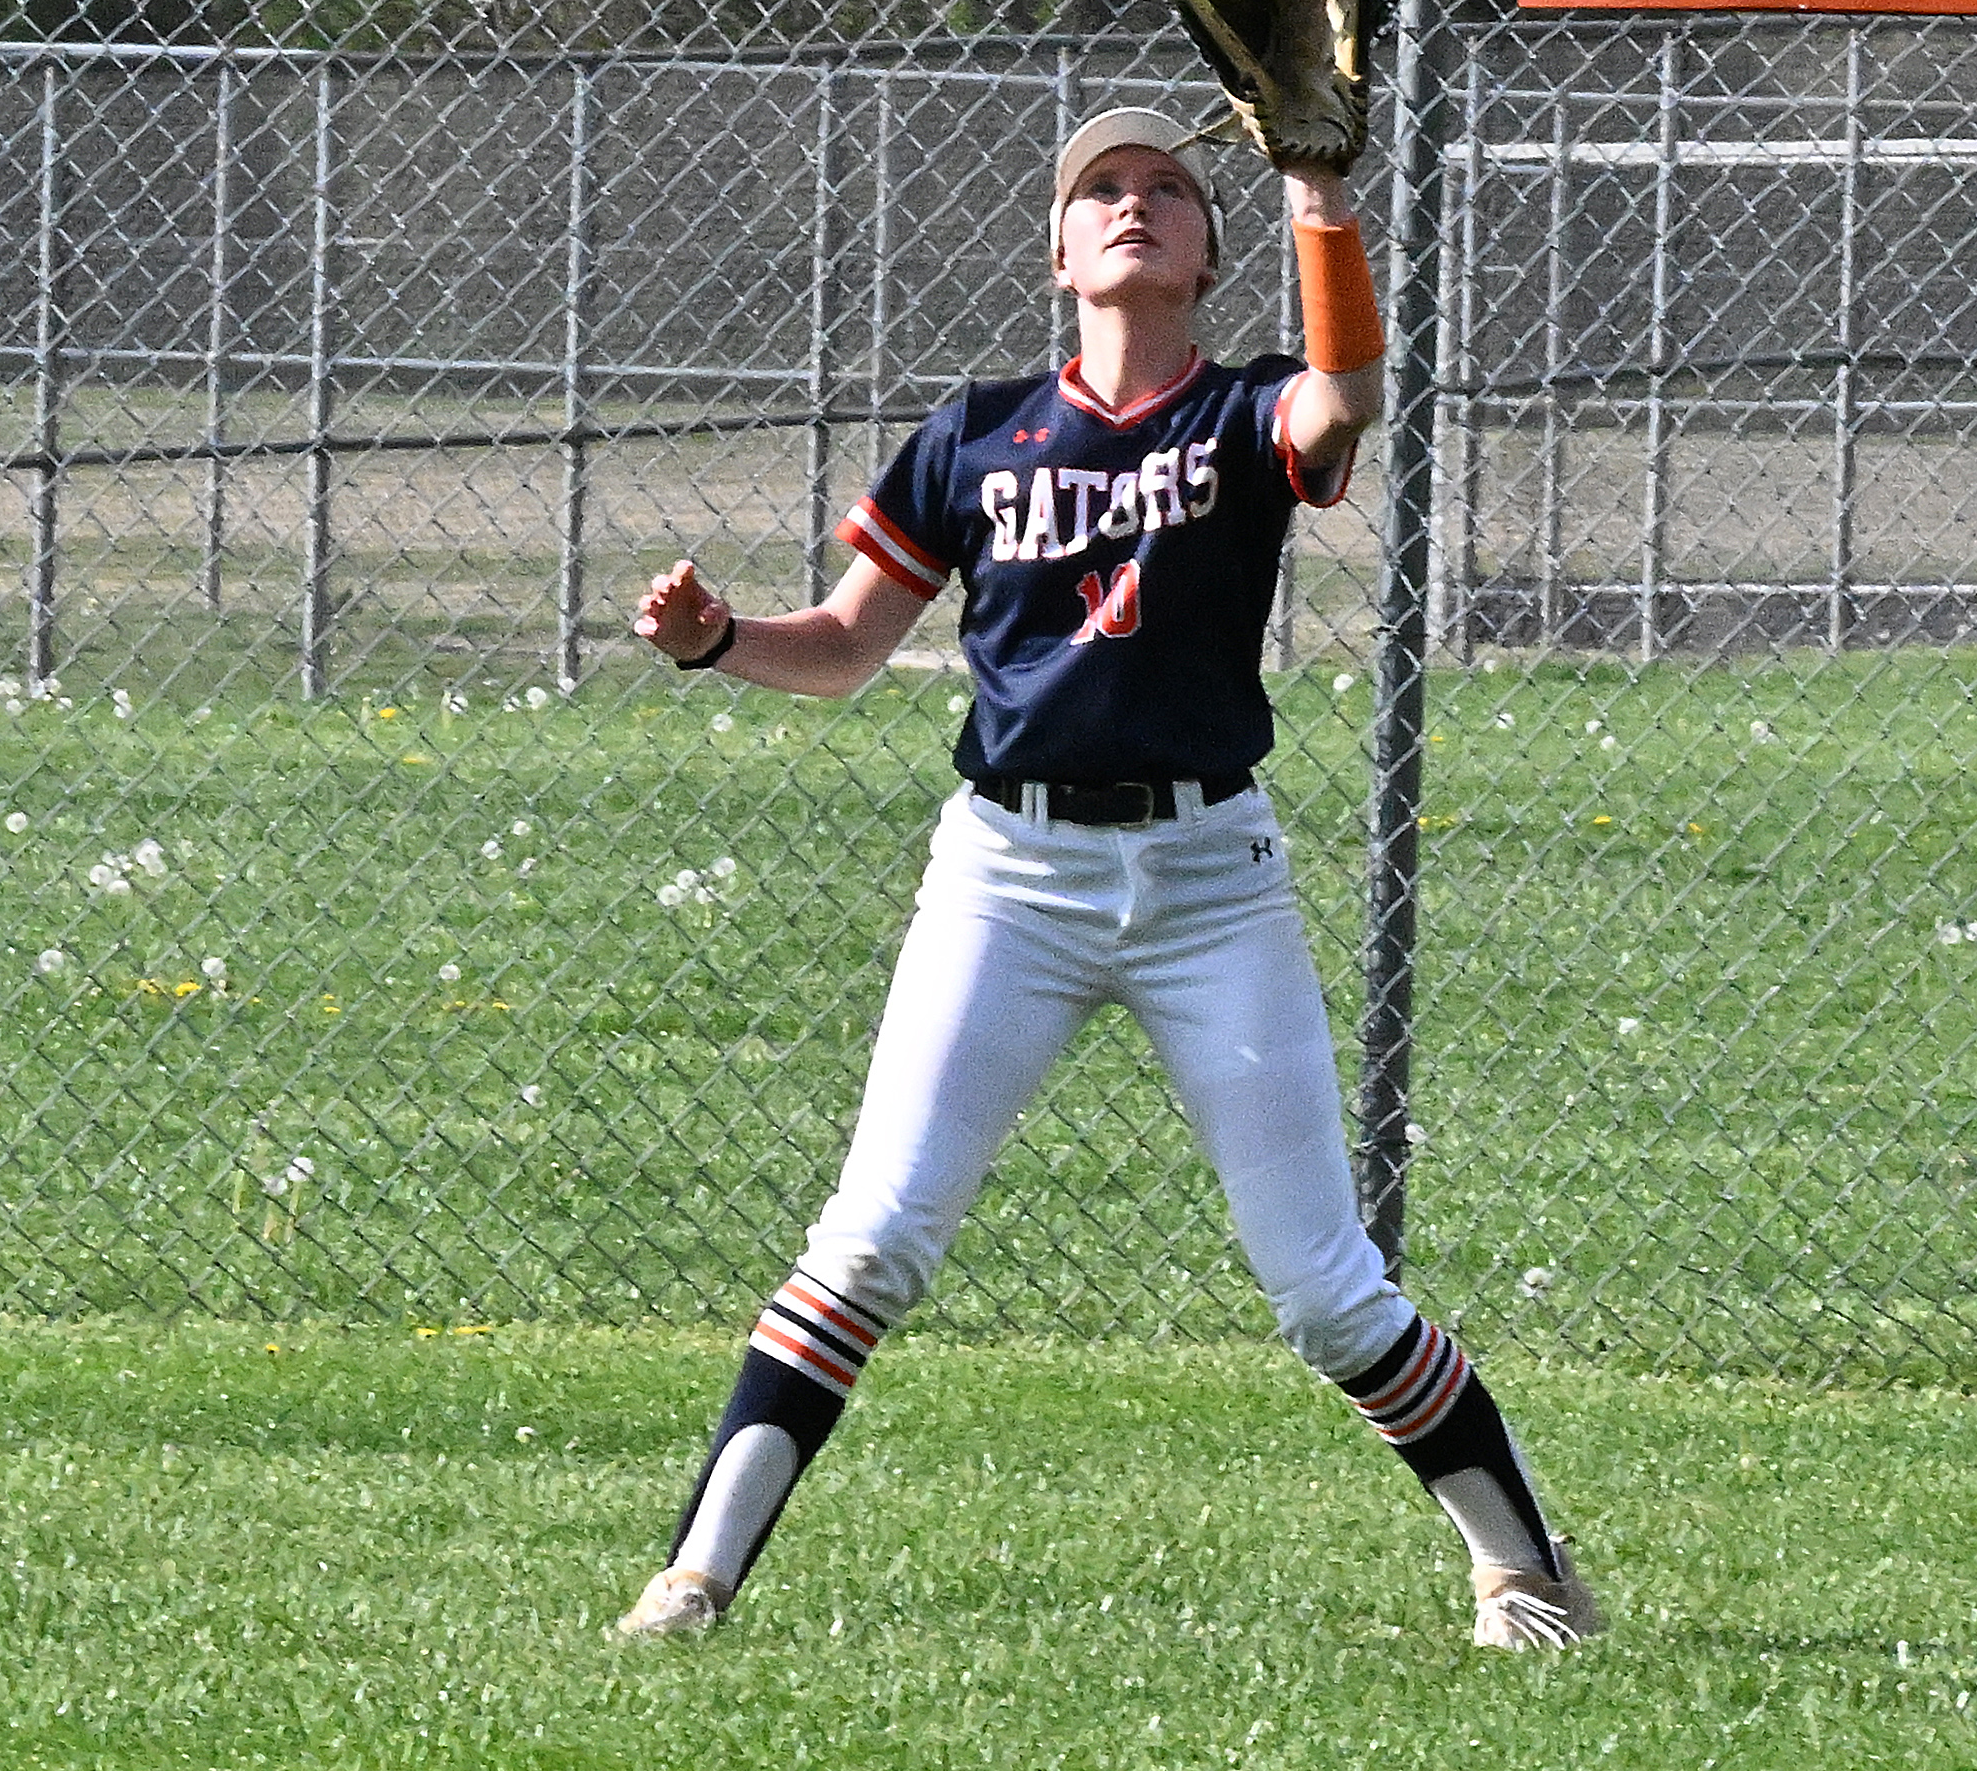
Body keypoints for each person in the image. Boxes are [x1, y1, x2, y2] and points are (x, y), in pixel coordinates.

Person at [616, 101, 1599, 1652]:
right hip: (1008, 873)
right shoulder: (978, 433)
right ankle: (693, 1580)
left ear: (1210, 255)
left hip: (1213, 879)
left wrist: (1319, 192)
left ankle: (1523, 1568)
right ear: (1060, 250)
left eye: (1166, 190)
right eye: (1100, 191)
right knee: (869, 1240)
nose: (1134, 204)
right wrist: (722, 643)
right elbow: (848, 648)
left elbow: (1345, 395)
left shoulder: (1246, 414)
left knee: (1328, 1294)